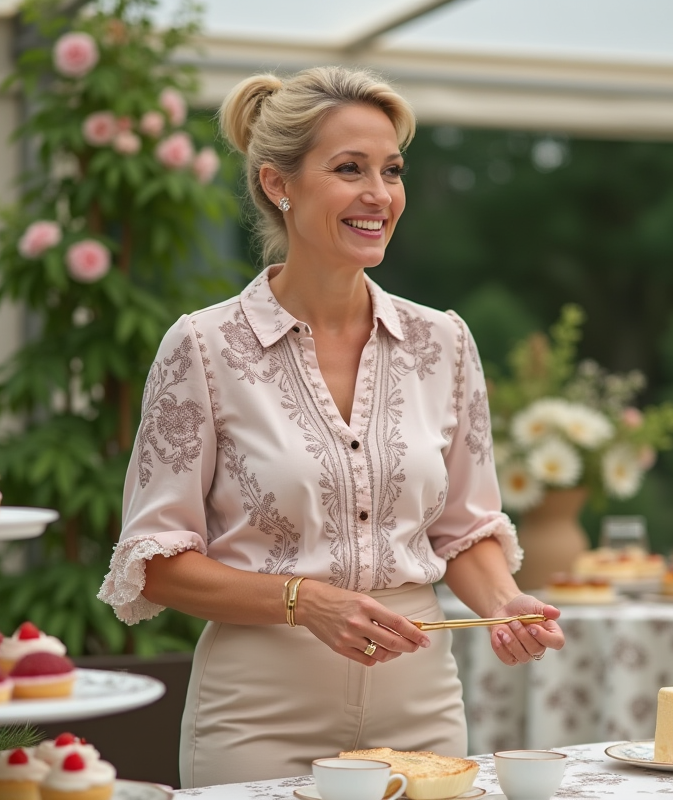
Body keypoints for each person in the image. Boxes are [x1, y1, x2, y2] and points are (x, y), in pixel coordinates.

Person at [98, 65, 564, 788]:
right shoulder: (204, 347)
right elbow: (154, 565)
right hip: (259, 712)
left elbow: (465, 532)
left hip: (422, 705)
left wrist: (506, 605)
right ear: (278, 183)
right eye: (350, 169)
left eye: (392, 170)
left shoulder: (443, 342)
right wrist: (302, 600)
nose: (379, 194)